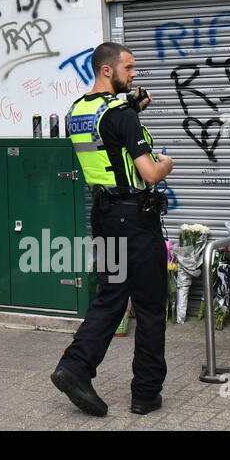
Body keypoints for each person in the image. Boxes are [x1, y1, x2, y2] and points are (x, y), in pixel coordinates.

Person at [50, 41, 173, 416]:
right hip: (135, 219)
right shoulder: (121, 115)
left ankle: (74, 367)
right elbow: (149, 172)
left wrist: (132, 106)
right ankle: (145, 394)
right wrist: (166, 162)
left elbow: (107, 139)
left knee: (111, 296)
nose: (134, 76)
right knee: (151, 305)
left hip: (104, 215)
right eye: (129, 69)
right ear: (108, 70)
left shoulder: (78, 111)